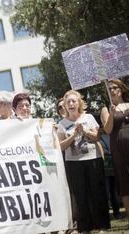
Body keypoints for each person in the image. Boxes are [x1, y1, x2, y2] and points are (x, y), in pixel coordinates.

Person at [57, 90, 110, 233]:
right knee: (80, 194)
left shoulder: (89, 117)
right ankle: (85, 227)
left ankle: (102, 226)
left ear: (79, 103)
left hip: (93, 158)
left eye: (74, 101)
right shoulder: (61, 124)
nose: (71, 104)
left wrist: (85, 132)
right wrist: (74, 135)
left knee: (97, 192)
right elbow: (60, 146)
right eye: (68, 102)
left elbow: (97, 137)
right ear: (65, 106)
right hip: (73, 163)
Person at [100, 79, 129, 221]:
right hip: (118, 147)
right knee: (124, 181)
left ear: (121, 89)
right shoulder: (106, 108)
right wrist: (112, 113)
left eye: (115, 87)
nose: (112, 90)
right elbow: (107, 129)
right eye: (109, 88)